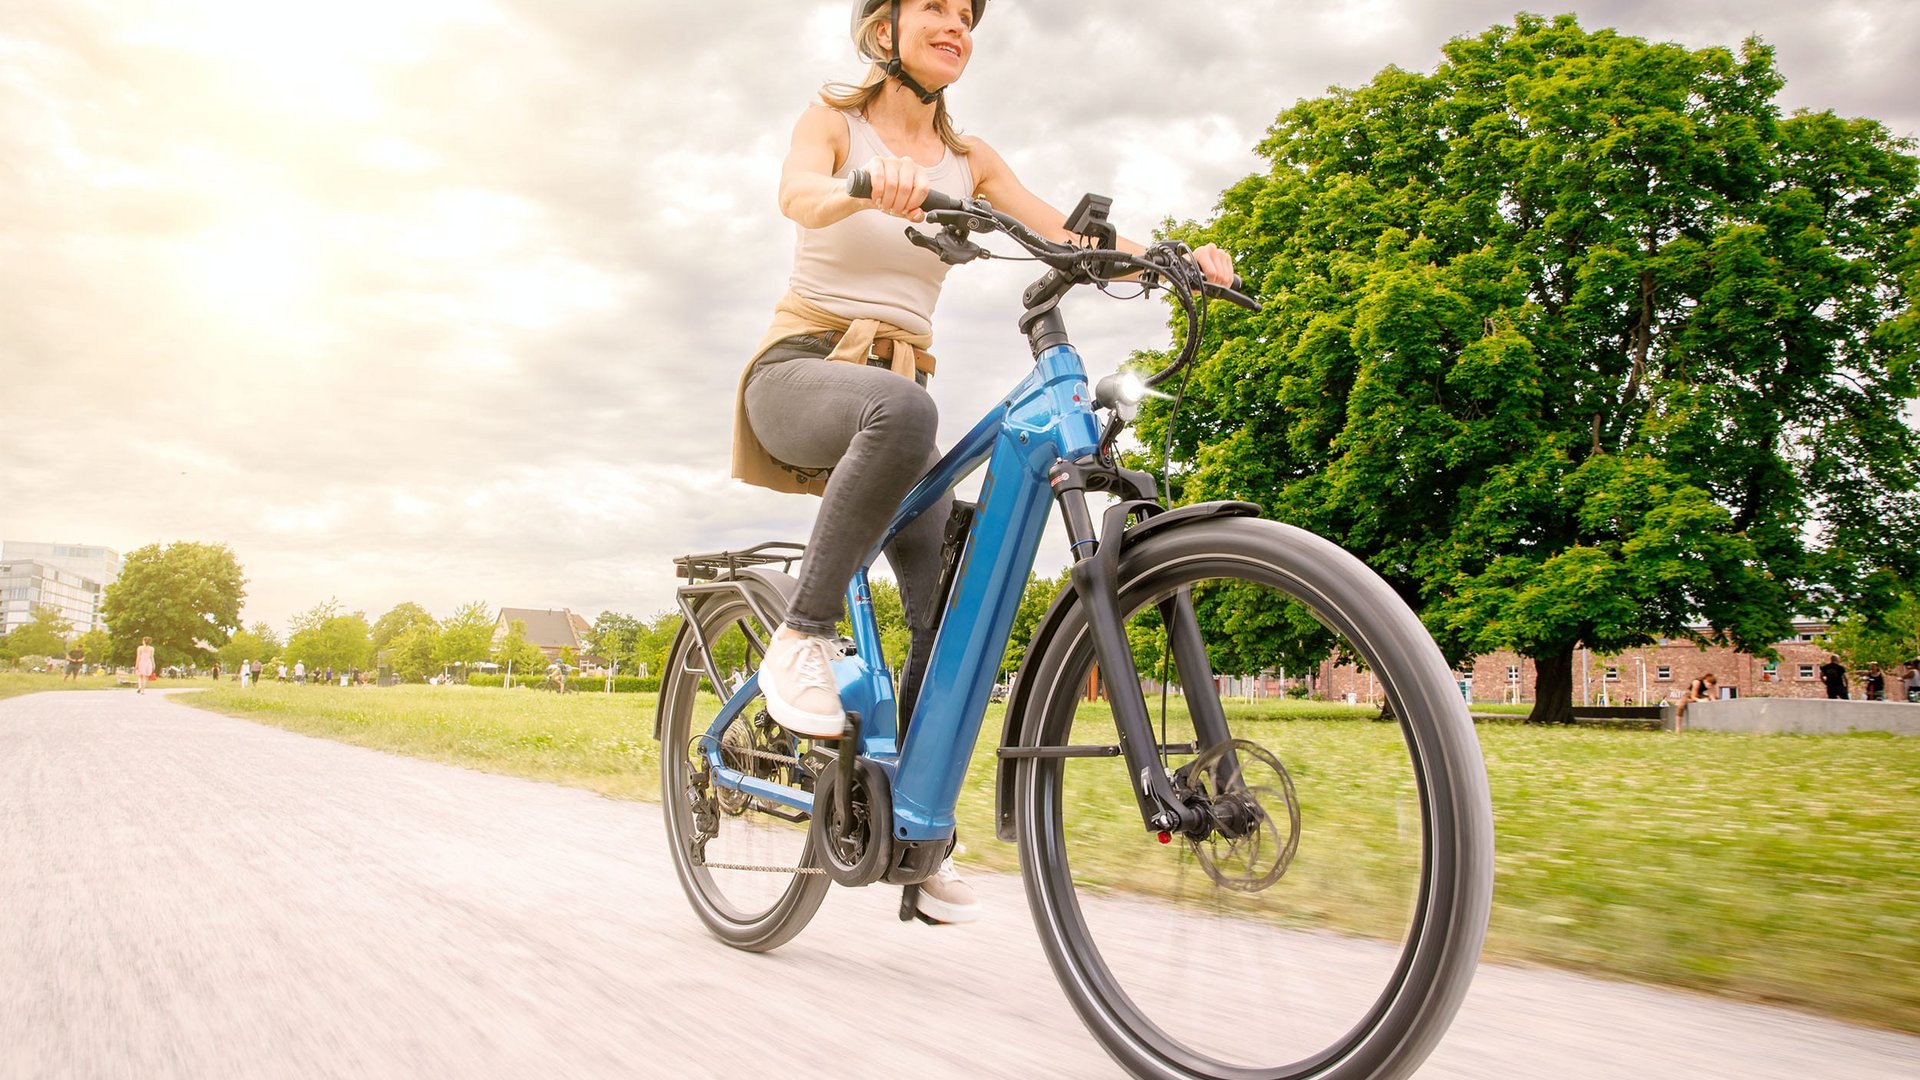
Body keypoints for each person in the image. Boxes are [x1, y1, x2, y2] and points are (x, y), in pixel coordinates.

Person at [732, 0, 1235, 925]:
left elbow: (1066, 233)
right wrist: (860, 184)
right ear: (882, 30)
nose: (956, 21)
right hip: (801, 374)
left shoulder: (974, 161)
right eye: (934, 6)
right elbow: (797, 191)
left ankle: (912, 833)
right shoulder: (833, 123)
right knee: (908, 410)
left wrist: (1168, 258)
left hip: (896, 413)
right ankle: (798, 639)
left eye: (967, 13)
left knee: (953, 603)